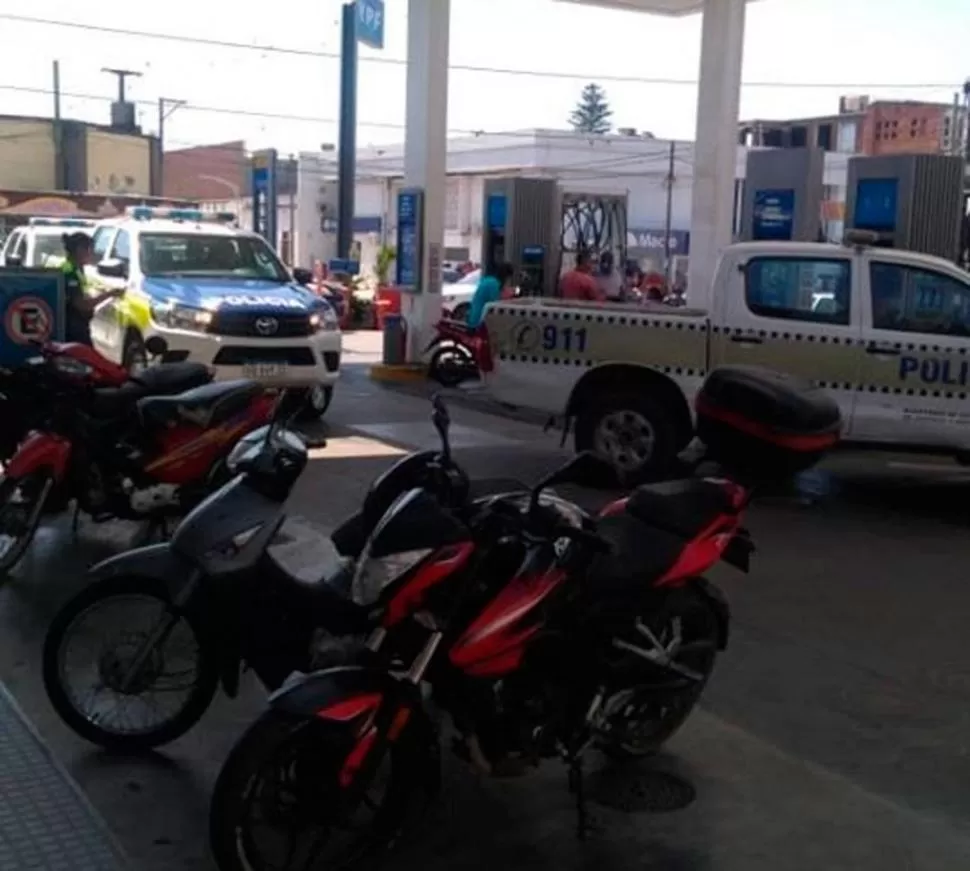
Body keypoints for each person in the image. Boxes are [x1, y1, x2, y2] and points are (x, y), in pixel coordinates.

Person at [60, 232, 124, 346]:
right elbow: (82, 304)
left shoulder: (77, 269)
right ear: (80, 250)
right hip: (73, 329)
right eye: (91, 249)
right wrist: (110, 294)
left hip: (78, 326)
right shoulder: (70, 272)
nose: (93, 254)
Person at [466, 262, 515, 328]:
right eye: (509, 278)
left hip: (474, 316)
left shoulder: (489, 280)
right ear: (506, 276)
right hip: (480, 320)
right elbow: (495, 303)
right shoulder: (494, 284)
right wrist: (508, 295)